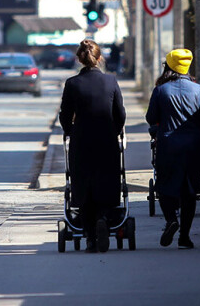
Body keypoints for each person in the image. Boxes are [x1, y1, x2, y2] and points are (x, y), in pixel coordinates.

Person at [59, 39, 126, 253]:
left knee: (84, 186)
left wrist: (71, 132)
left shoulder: (72, 84)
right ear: (99, 58)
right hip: (106, 141)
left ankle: (89, 237)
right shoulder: (111, 81)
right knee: (107, 180)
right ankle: (104, 218)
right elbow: (120, 114)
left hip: (82, 142)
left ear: (79, 59)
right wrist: (113, 131)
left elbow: (65, 116)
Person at [146, 49, 200, 249]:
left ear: (168, 66)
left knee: (165, 187)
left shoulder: (161, 90)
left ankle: (171, 219)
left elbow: (150, 117)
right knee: (190, 192)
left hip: (168, 147)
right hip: (193, 148)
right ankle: (185, 236)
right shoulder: (199, 90)